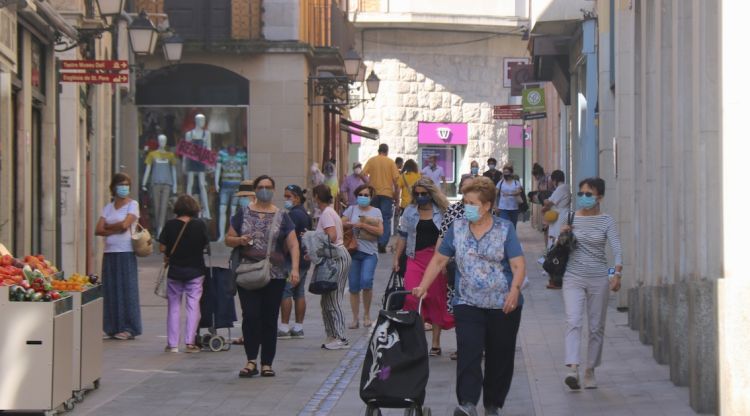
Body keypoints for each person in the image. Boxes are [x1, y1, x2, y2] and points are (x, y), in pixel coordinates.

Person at [412, 179, 526, 416]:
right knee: (469, 351)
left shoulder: (505, 229)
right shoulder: (458, 228)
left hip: (502, 304)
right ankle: (468, 403)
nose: (467, 208)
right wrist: (423, 286)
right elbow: (439, 259)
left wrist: (515, 290)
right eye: (465, 202)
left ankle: (493, 404)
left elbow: (518, 265)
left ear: (486, 205)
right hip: (468, 302)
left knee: (499, 356)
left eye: (472, 203)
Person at [225, 175, 301, 378]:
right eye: (261, 187)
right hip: (248, 272)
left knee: (269, 318)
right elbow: (228, 239)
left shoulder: (282, 216)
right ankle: (251, 360)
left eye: (268, 187)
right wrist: (240, 240)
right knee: (250, 316)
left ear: (273, 190)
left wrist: (294, 268)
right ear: (255, 190)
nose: (264, 190)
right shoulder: (243, 213)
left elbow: (293, 244)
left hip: (274, 275)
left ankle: (267, 362)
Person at [561, 177, 623, 391]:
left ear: (600, 197)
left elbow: (615, 250)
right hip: (573, 277)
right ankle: (573, 369)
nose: (584, 198)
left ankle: (590, 370)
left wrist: (615, 274)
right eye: (581, 194)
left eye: (589, 194)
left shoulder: (607, 221)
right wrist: (562, 236)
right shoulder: (571, 217)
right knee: (573, 321)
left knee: (596, 327)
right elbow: (560, 248)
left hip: (599, 277)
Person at [393, 178, 454, 356]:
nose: (420, 197)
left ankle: (435, 343)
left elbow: (449, 238)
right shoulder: (410, 212)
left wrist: (445, 262)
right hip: (414, 258)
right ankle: (419, 340)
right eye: (417, 194)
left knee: (435, 299)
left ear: (431, 194)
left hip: (436, 260)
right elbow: (402, 236)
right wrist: (397, 258)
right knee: (412, 298)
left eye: (423, 194)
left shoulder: (442, 212)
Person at [158, 195, 209, 353]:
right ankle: (190, 342)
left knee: (173, 306)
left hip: (175, 271)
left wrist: (169, 253)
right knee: (193, 305)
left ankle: (172, 344)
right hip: (195, 271)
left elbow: (161, 247)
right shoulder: (200, 225)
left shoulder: (170, 225)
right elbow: (205, 246)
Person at [96, 173, 142, 340]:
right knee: (110, 290)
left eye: (127, 184)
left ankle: (129, 327)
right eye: (121, 184)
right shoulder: (108, 207)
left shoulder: (133, 205)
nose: (124, 188)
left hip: (126, 252)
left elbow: (125, 225)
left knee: (127, 290)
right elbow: (98, 230)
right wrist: (112, 227)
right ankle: (111, 327)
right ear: (113, 187)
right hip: (109, 253)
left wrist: (109, 226)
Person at [312, 184, 353, 350]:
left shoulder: (327, 213)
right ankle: (332, 333)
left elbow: (332, 236)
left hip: (336, 257)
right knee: (326, 300)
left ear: (317, 196)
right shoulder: (328, 212)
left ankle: (341, 337)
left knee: (334, 298)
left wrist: (313, 240)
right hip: (333, 257)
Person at [341, 184, 383, 329]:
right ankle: (355, 318)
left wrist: (363, 225)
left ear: (371, 197)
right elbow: (341, 223)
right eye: (361, 194)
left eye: (366, 195)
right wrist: (350, 224)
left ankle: (366, 315)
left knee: (366, 281)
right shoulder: (351, 209)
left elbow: (380, 232)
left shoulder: (376, 212)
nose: (363, 197)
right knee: (353, 287)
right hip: (353, 252)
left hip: (370, 253)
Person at [278, 185, 313, 339]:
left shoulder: (293, 214)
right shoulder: (305, 214)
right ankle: (298, 327)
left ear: (297, 198)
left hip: (292, 260)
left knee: (286, 291)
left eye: (288, 196)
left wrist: (282, 253)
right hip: (304, 259)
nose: (286, 200)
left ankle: (284, 327)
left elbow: (288, 239)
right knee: (299, 292)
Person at [362, 144, 400, 253]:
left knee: (373, 218)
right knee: (385, 219)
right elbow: (396, 182)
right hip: (387, 195)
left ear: (378, 151)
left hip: (374, 193)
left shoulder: (372, 160)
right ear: (386, 151)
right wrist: (396, 198)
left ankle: (373, 242)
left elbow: (362, 174)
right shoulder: (390, 162)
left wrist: (368, 184)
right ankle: (382, 243)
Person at [541, 170, 570, 289]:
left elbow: (549, 202)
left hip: (559, 219)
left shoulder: (561, 188)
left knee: (556, 248)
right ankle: (554, 277)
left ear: (554, 180)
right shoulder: (564, 188)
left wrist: (544, 202)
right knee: (554, 245)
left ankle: (556, 278)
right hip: (557, 218)